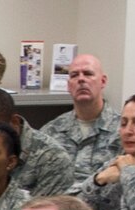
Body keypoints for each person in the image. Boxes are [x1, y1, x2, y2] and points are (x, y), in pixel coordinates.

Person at [41, 53, 119, 186]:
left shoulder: (122, 131)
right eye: (74, 75)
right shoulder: (51, 132)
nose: (81, 79)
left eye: (88, 74)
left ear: (103, 81)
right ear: (68, 86)